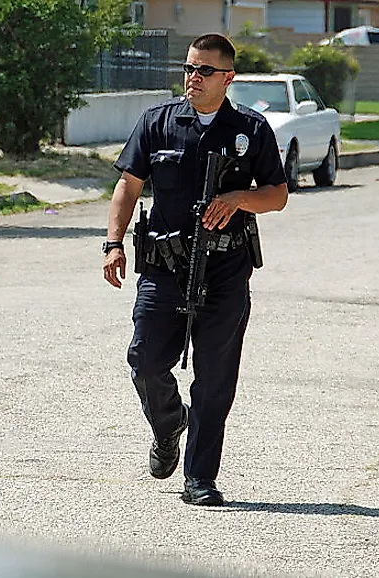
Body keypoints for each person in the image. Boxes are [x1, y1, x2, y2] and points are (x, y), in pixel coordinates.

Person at [102, 33, 288, 507]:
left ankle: (200, 478)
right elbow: (128, 185)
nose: (193, 78)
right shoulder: (158, 122)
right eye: (188, 68)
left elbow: (277, 194)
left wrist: (238, 199)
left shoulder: (250, 128)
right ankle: (169, 424)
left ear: (228, 77)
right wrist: (113, 243)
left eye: (204, 71)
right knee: (144, 359)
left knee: (215, 376)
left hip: (226, 268)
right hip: (165, 266)